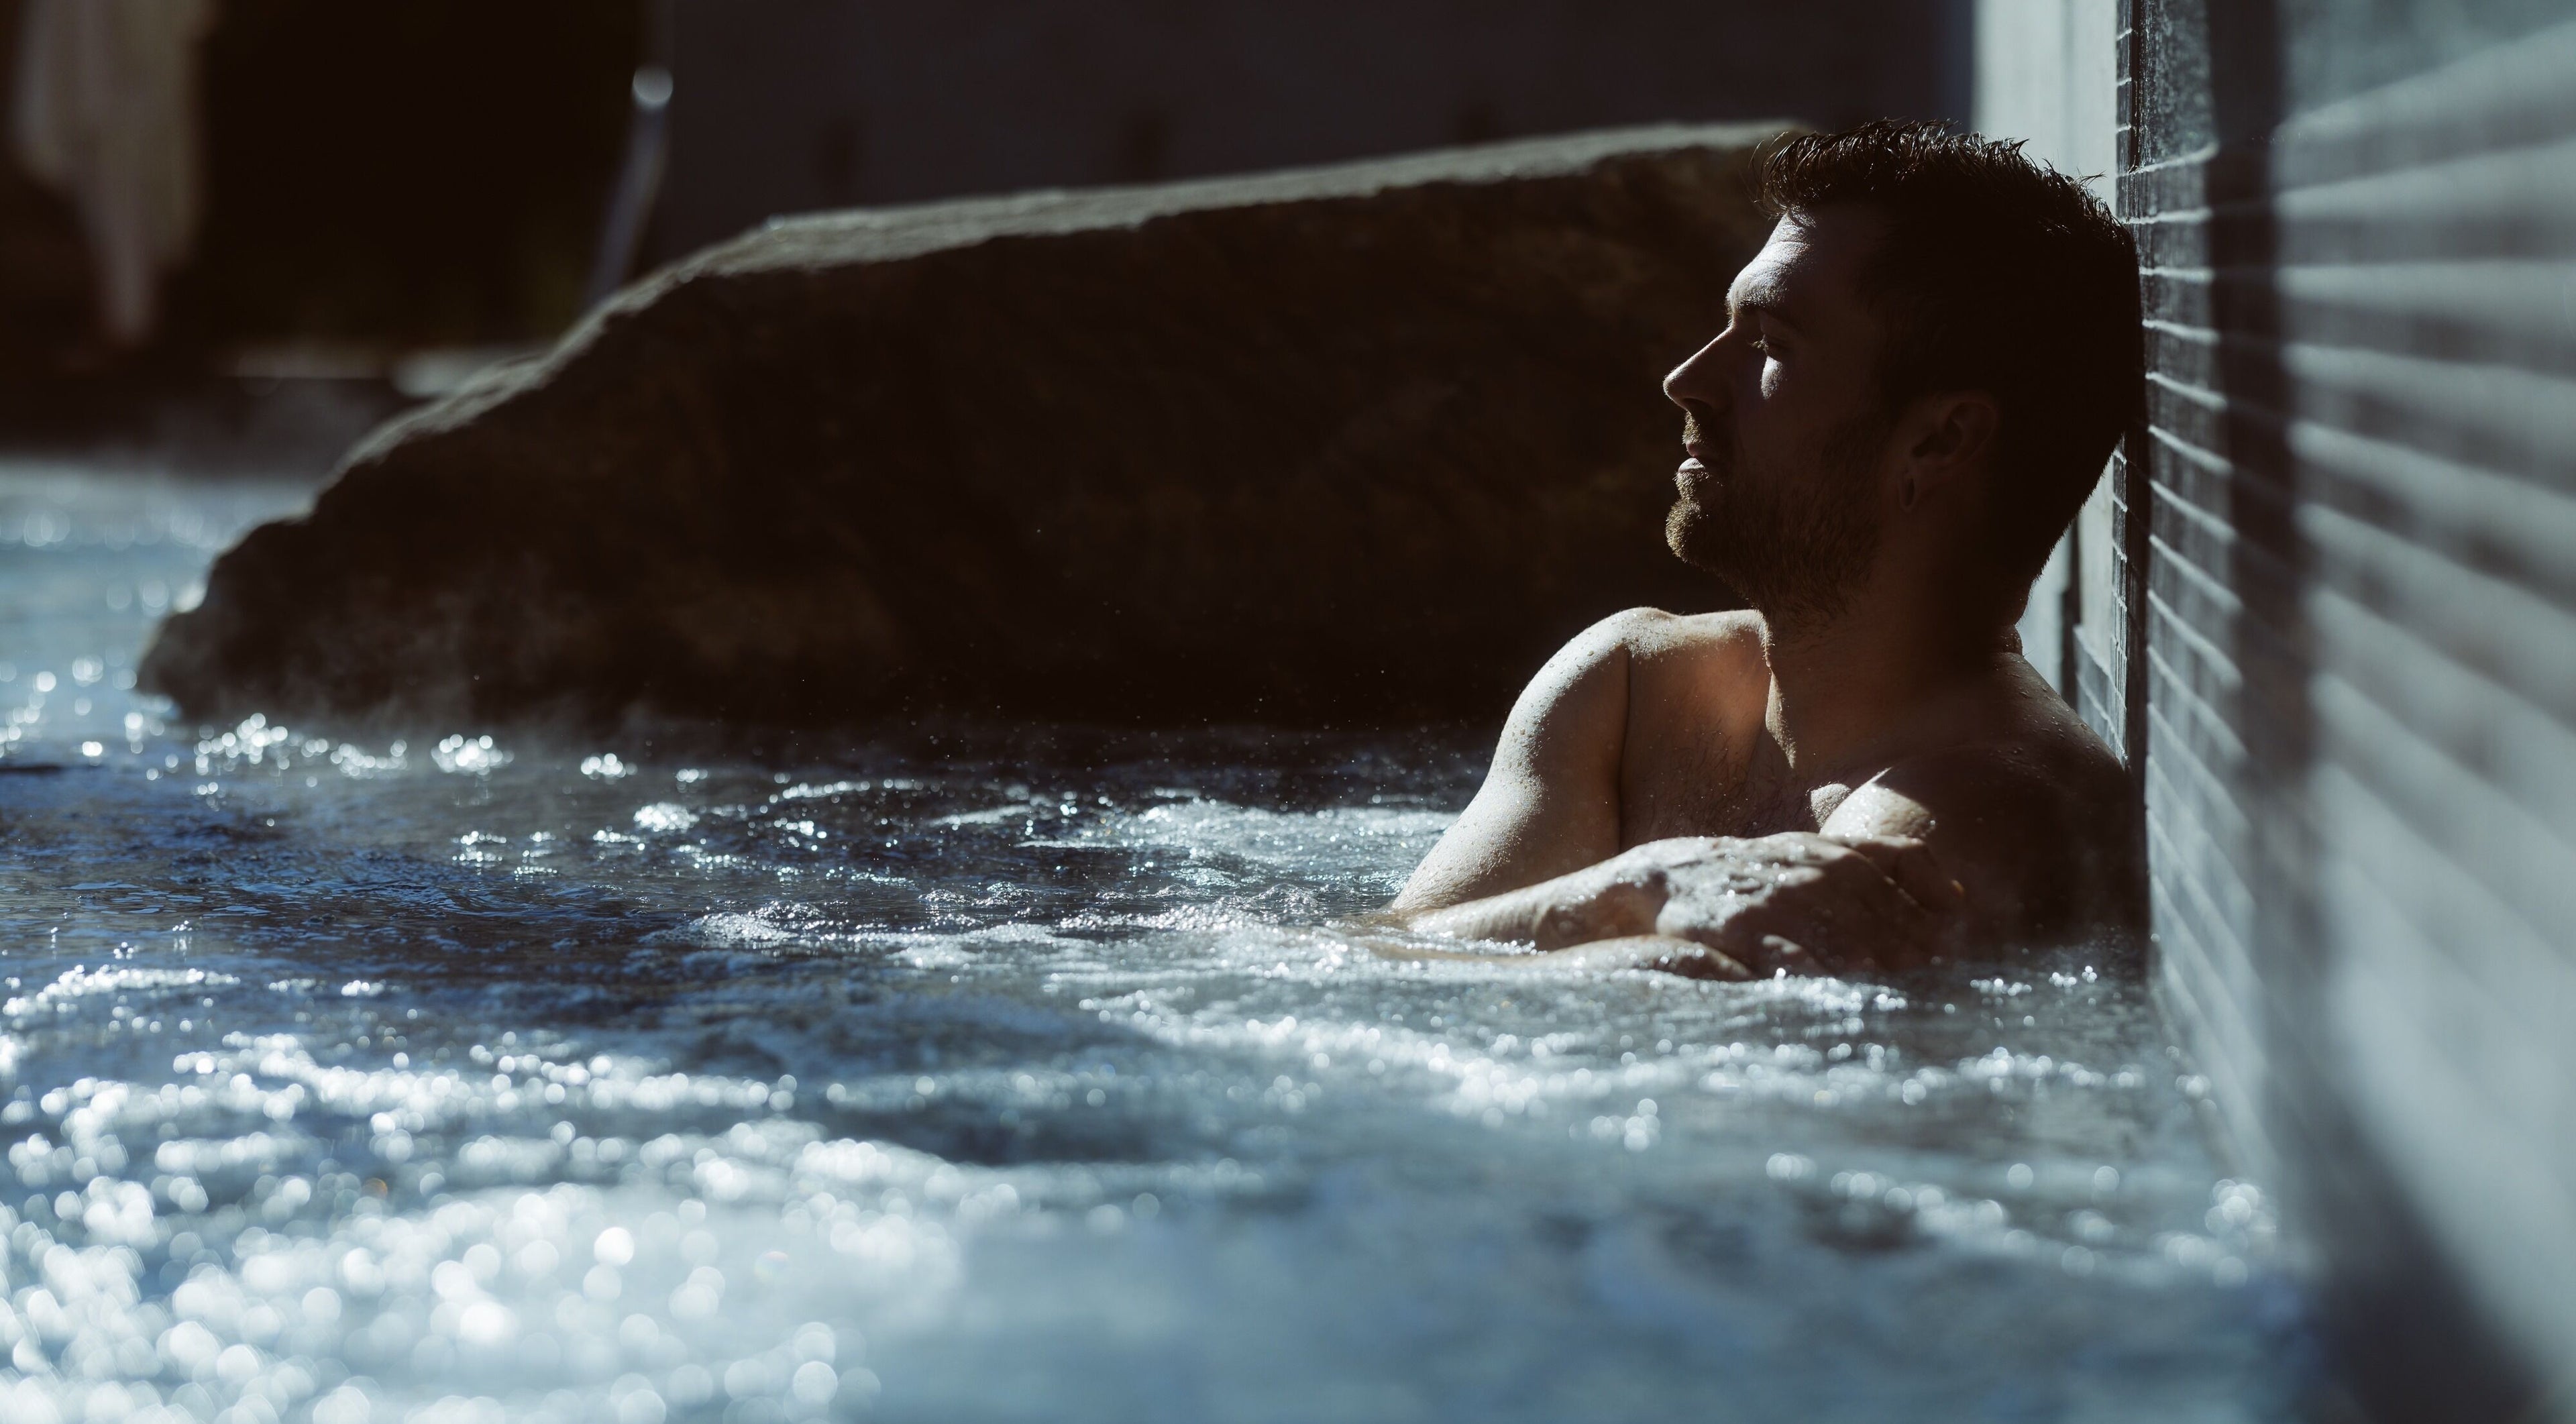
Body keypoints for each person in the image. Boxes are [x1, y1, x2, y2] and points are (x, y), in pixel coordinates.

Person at [1387, 121, 2143, 979]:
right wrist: (1644, 885)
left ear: (1937, 443)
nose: (1687, 379)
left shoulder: (1983, 810)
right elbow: (1383, 962)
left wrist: (1597, 907)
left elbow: (1728, 1055)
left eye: (1771, 345)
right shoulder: (1632, 686)